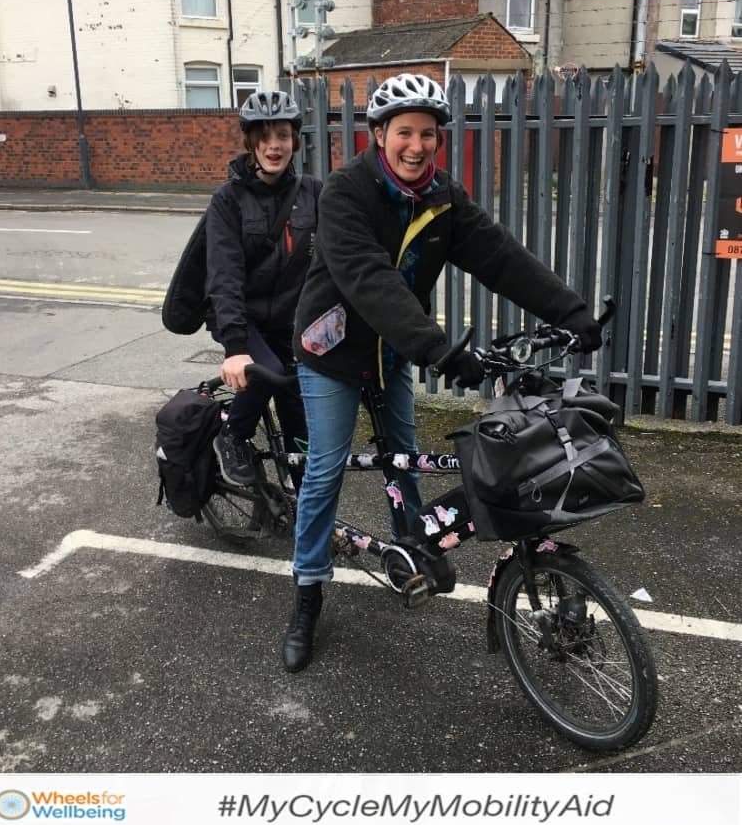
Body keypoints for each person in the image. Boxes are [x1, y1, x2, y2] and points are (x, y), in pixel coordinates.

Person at [282, 72, 603, 673]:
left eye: (428, 134)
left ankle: (414, 550)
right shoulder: (347, 193)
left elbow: (500, 255)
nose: (416, 145)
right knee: (324, 470)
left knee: (404, 456)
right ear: (380, 135)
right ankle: (307, 593)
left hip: (394, 352)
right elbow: (371, 282)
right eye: (404, 132)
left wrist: (571, 312)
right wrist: (441, 351)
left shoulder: (441, 196)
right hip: (333, 350)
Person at [206, 89, 321, 489]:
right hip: (243, 318)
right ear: (251, 142)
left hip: (291, 321)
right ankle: (232, 435)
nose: (274, 145)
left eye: (283, 135)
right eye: (264, 136)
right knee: (266, 371)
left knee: (298, 407)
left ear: (295, 140)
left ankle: (299, 493)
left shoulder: (313, 193)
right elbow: (224, 276)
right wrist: (236, 347)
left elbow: (336, 262)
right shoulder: (228, 200)